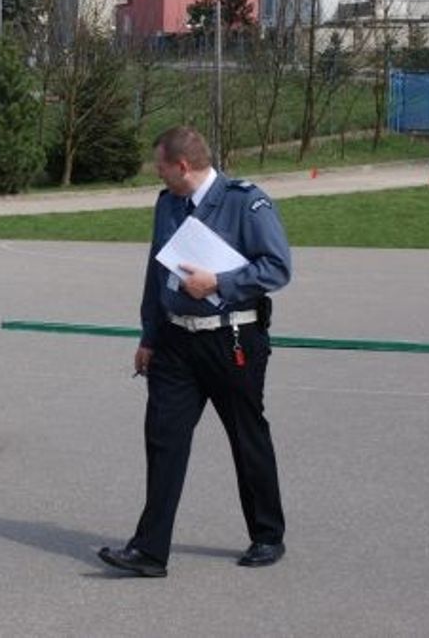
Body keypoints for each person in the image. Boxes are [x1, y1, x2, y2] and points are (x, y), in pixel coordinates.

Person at [98, 125, 292, 578]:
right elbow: (155, 272)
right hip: (174, 342)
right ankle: (149, 551)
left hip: (231, 339)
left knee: (247, 438)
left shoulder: (246, 201)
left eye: (160, 166)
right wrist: (149, 335)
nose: (157, 175)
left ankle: (267, 535)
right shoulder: (167, 204)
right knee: (163, 439)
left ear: (181, 166)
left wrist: (219, 283)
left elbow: (278, 267)